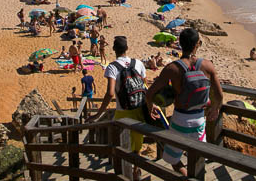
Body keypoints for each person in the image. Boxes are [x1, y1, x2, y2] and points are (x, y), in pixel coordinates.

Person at [146, 28, 223, 177]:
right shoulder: (207, 65)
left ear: (180, 44)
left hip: (180, 120)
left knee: (172, 159)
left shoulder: (172, 68)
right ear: (197, 45)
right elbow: (219, 95)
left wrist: (151, 107)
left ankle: (185, 175)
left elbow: (149, 94)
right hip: (200, 119)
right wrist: (215, 109)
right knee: (198, 158)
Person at [89, 36, 146, 180]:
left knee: (121, 147)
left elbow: (110, 93)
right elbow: (144, 86)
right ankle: (136, 170)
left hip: (123, 113)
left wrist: (98, 114)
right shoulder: (138, 63)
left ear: (113, 49)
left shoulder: (112, 67)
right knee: (137, 147)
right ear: (127, 48)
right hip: (139, 111)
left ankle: (124, 174)